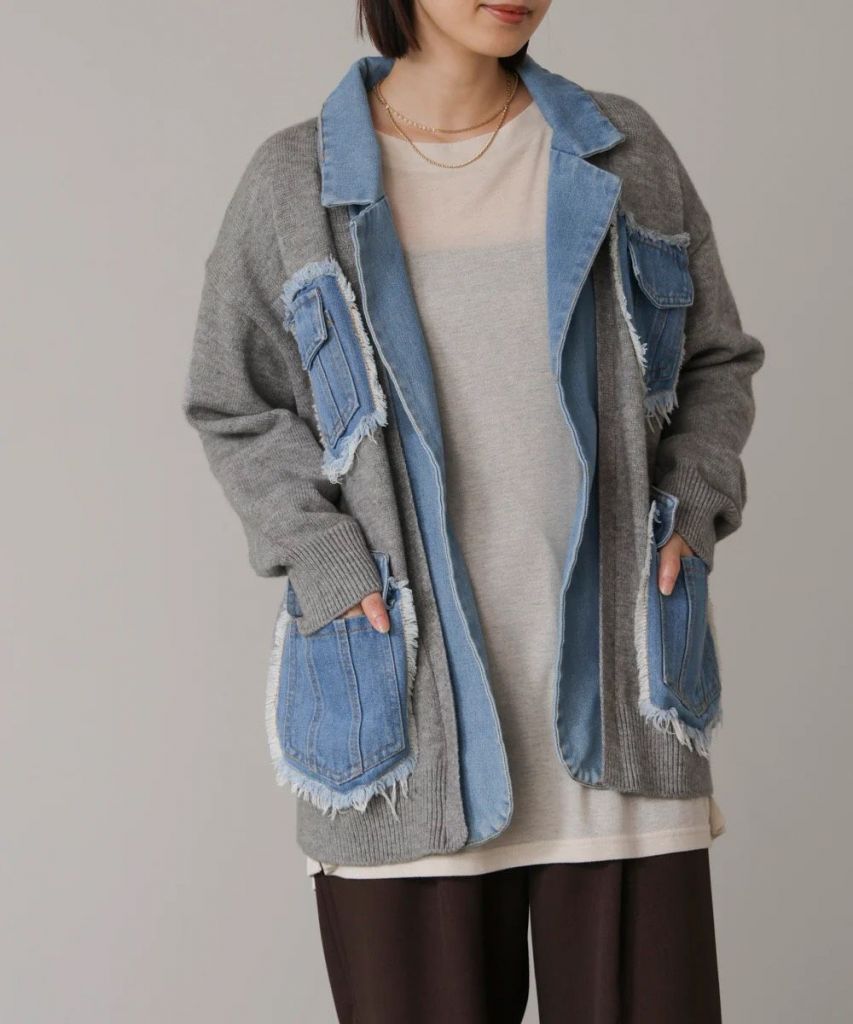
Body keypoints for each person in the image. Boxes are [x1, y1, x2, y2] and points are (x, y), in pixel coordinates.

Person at [183, 1, 764, 1020]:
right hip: (404, 733)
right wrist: (326, 561)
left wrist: (690, 506)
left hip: (621, 718)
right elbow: (235, 404)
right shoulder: (294, 183)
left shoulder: (621, 153)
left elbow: (714, 360)